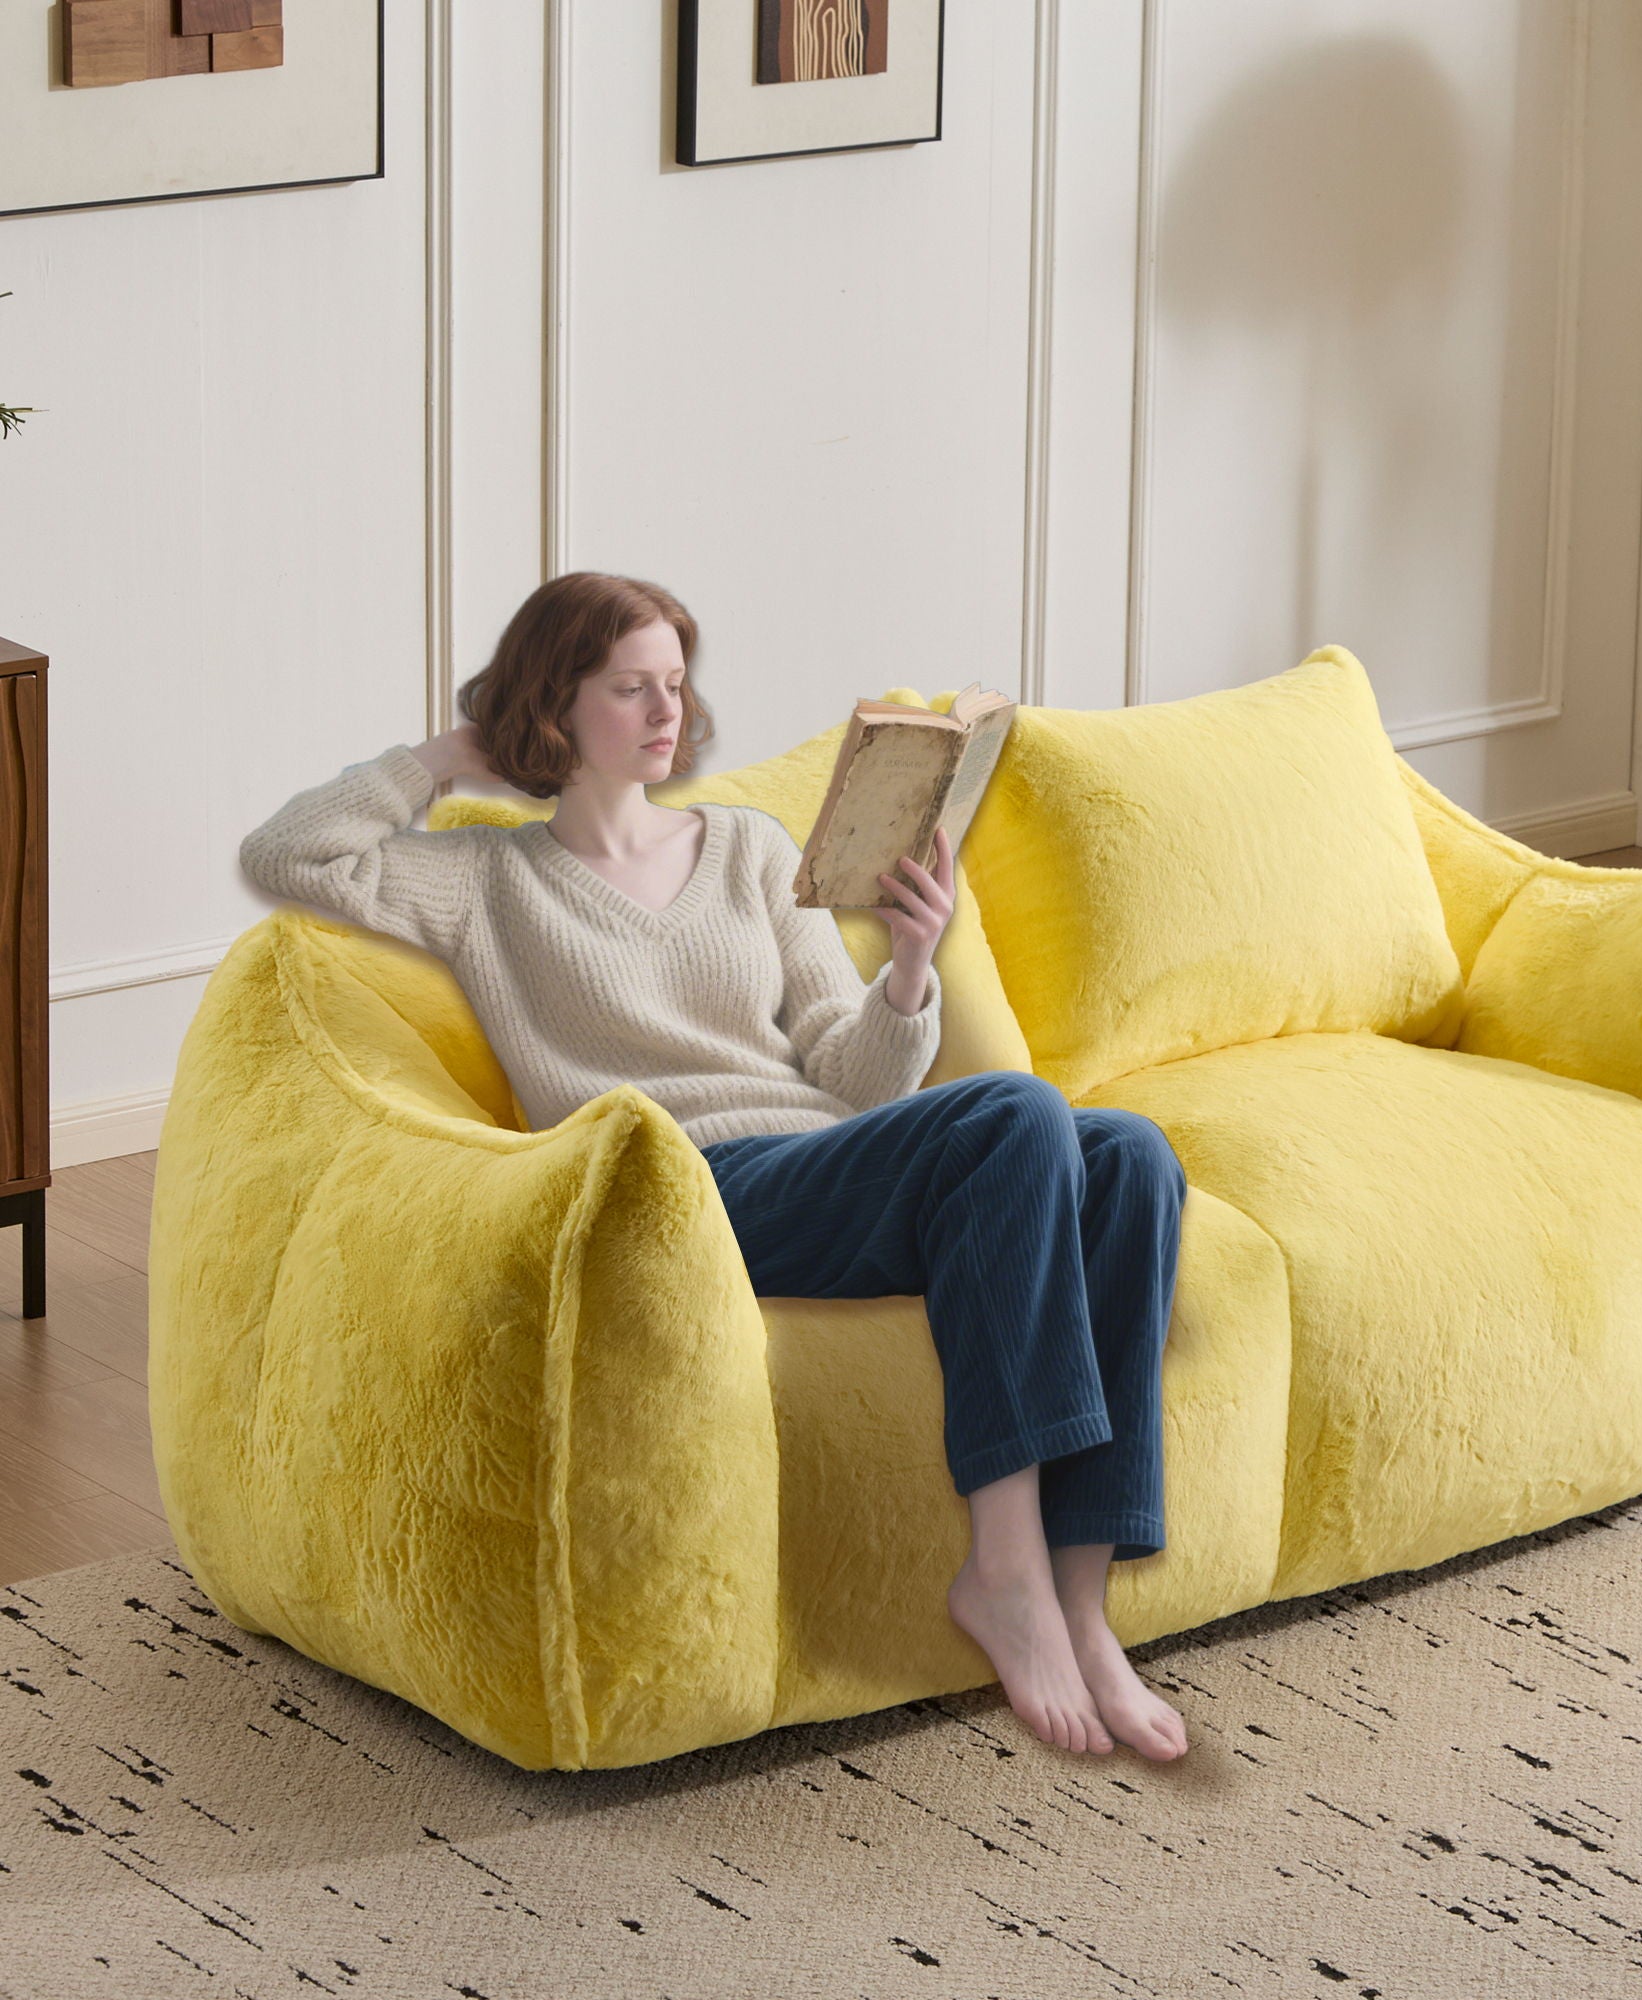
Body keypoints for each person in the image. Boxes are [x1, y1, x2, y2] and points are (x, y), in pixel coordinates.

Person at [238, 570, 1191, 1762]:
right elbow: (290, 852)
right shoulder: (486, 884)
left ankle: (1082, 1602)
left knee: (1129, 1154)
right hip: (693, 1189)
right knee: (1013, 1114)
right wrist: (452, 750)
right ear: (553, 705)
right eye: (629, 686)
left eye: (675, 683)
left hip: (822, 1156)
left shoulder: (747, 848)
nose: (664, 710)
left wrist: (907, 967)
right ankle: (1000, 1573)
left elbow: (852, 1078)